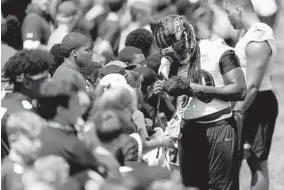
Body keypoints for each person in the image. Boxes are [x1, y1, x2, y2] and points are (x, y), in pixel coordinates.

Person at [153, 15, 247, 189]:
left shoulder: (217, 51)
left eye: (178, 49)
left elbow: (240, 90)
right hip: (189, 129)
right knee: (192, 186)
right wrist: (163, 96)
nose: (176, 56)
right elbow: (174, 109)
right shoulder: (167, 62)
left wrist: (197, 89)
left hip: (219, 126)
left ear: (188, 37)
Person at [225, 1, 278, 190]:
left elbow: (253, 85)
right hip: (247, 102)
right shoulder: (248, 34)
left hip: (256, 103)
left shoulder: (258, 37)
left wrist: (233, 115)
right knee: (236, 158)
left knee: (256, 162)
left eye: (228, 11)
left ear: (238, 8)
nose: (227, 17)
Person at [37, 78, 107, 177]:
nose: (80, 107)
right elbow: (105, 168)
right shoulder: (67, 144)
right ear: (61, 110)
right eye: (75, 104)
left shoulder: (39, 134)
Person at [1, 49, 52, 158]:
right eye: (44, 79)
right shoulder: (25, 115)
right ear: (28, 83)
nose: (48, 83)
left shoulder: (5, 101)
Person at [1, 111, 45, 190]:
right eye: (32, 139)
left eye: (40, 139)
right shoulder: (13, 172)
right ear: (13, 140)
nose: (38, 144)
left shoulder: (29, 165)